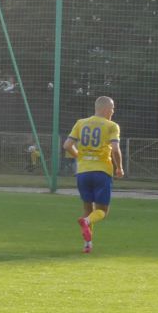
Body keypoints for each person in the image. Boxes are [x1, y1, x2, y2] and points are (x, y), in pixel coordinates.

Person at [62, 97, 123, 253]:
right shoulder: (111, 126)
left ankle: (87, 244)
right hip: (102, 172)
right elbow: (115, 149)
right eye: (112, 108)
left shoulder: (80, 123)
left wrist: (80, 157)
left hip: (83, 172)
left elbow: (67, 145)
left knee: (88, 209)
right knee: (102, 211)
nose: (113, 111)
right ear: (106, 109)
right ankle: (86, 222)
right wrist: (119, 168)